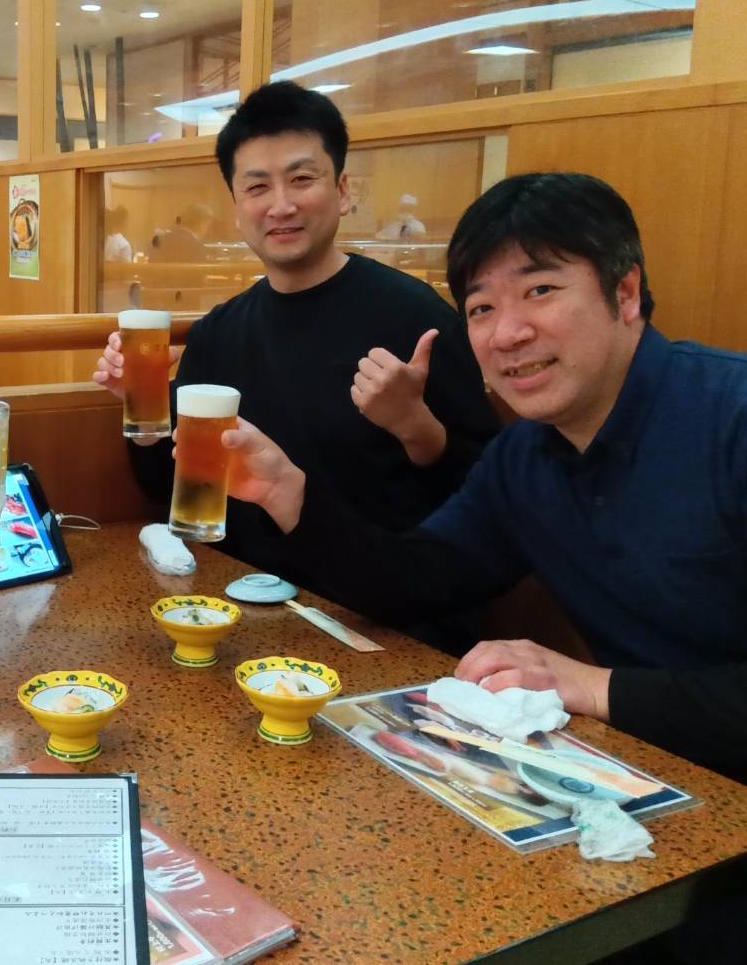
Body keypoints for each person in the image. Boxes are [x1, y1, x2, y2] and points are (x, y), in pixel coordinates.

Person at [222, 172, 747, 961]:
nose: (507, 333)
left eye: (540, 290)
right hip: (669, 812)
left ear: (625, 294)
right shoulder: (528, 458)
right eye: (481, 308)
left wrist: (590, 685)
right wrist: (291, 497)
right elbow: (419, 579)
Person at [94, 81, 498, 624]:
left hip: (381, 616)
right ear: (237, 207)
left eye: (302, 179)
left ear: (343, 191)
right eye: (257, 187)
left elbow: (485, 494)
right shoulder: (219, 333)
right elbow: (169, 490)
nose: (281, 205)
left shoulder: (416, 320)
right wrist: (142, 413)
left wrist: (417, 427)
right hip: (241, 610)